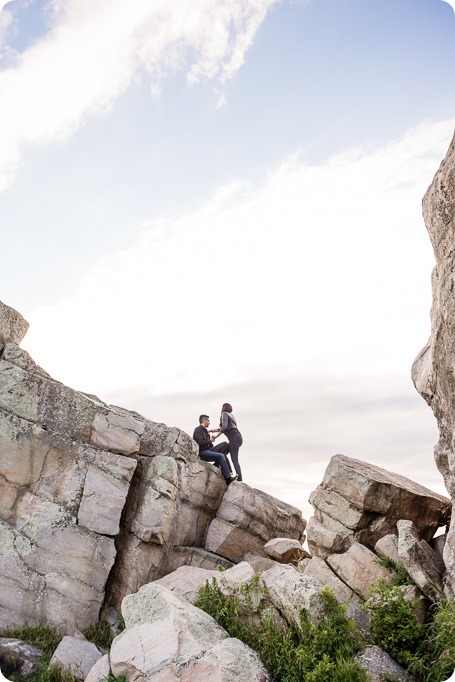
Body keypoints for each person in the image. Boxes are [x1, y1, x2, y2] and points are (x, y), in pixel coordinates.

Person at [193, 415, 237, 485]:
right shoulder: (198, 430)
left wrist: (211, 443)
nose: (209, 423)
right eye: (208, 421)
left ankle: (218, 464)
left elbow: (210, 445)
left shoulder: (206, 432)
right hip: (202, 453)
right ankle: (228, 478)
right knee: (221, 456)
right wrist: (210, 441)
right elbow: (199, 442)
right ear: (204, 421)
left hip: (209, 450)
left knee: (225, 444)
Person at [216, 402, 243, 482]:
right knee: (223, 452)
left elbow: (224, 427)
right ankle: (224, 468)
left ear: (223, 408)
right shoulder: (231, 416)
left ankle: (239, 478)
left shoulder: (224, 414)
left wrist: (215, 436)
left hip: (234, 438)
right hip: (237, 437)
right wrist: (211, 431)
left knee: (234, 459)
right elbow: (223, 428)